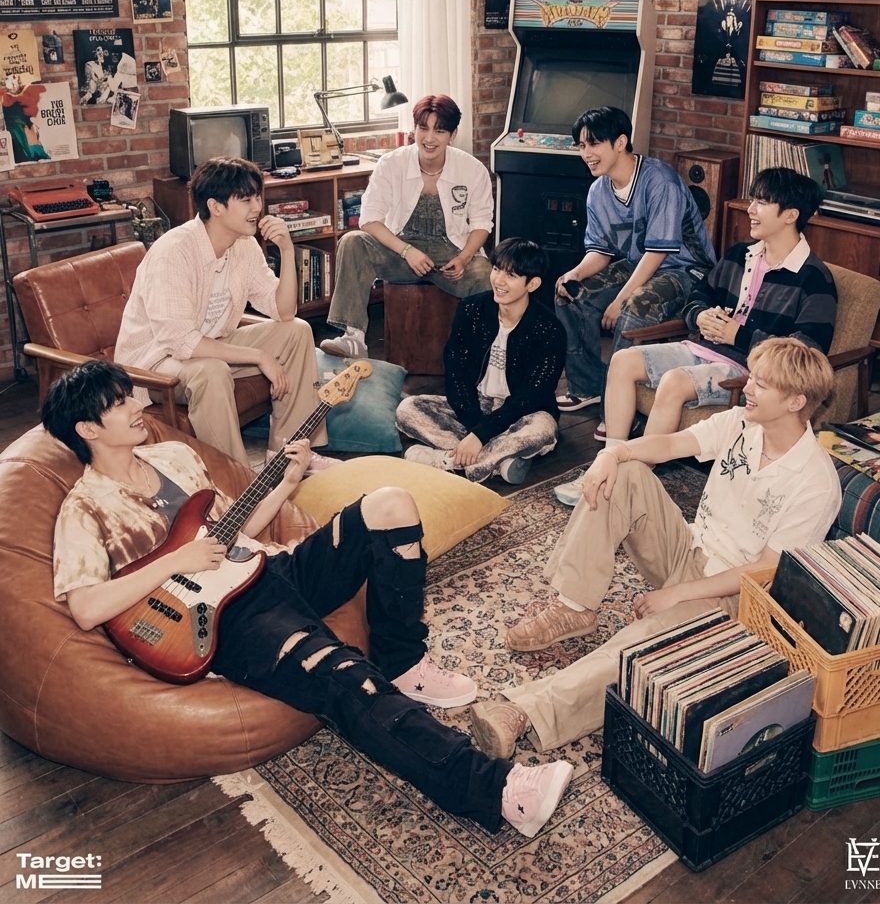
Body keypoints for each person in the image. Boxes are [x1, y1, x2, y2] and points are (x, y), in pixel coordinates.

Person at [44, 360, 573, 839]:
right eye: (121, 403)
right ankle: (498, 791)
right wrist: (174, 562)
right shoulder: (85, 507)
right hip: (228, 618)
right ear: (88, 429)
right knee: (346, 676)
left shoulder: (173, 456)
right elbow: (86, 609)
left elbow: (236, 531)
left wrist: (286, 482)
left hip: (270, 569)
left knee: (390, 504)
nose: (138, 405)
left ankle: (402, 660)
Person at [468, 338, 840, 759]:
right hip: (689, 547)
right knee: (626, 474)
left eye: (761, 384)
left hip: (733, 597)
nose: (747, 387)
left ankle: (525, 712)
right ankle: (574, 605)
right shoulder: (740, 423)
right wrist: (614, 455)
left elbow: (764, 571)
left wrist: (677, 594)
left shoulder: (816, 483)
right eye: (752, 377)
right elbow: (669, 444)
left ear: (795, 402)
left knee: (637, 648)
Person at [596, 167, 836, 453]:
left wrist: (738, 336)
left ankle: (635, 467)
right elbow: (698, 295)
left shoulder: (814, 278)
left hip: (751, 374)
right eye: (752, 200)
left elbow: (808, 353)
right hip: (702, 350)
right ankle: (611, 457)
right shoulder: (739, 255)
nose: (750, 209)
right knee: (622, 360)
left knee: (674, 382)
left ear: (790, 215)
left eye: (761, 202)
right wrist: (699, 316)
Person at [114, 157, 332, 469]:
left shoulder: (244, 245)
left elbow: (284, 311)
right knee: (212, 371)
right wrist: (259, 356)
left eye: (257, 197)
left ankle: (289, 453)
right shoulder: (173, 252)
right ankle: (237, 476)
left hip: (212, 346)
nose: (257, 207)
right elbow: (180, 342)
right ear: (215, 207)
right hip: (157, 363)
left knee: (297, 330)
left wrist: (287, 250)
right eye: (245, 200)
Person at [554, 106, 715, 416]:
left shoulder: (661, 180)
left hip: (686, 271)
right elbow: (600, 251)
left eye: (594, 143)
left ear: (620, 142)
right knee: (571, 294)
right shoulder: (598, 191)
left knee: (634, 305)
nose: (586, 153)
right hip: (638, 265)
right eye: (581, 145)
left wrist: (620, 299)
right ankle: (587, 387)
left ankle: (615, 410)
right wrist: (573, 274)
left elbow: (658, 252)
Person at [321, 95, 494, 359]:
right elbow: (369, 218)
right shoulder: (392, 163)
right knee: (352, 241)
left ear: (453, 134)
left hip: (451, 253)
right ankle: (353, 338)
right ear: (414, 129)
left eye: (440, 130)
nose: (429, 138)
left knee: (486, 275)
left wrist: (464, 257)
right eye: (423, 128)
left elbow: (482, 223)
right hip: (400, 252)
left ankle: (480, 355)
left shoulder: (472, 169)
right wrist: (406, 251)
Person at [396, 238, 565, 486]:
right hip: (476, 404)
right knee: (408, 408)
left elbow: (532, 396)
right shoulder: (471, 310)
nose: (499, 280)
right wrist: (477, 430)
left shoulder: (549, 329)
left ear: (533, 283)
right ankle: (497, 461)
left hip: (521, 413)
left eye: (511, 275)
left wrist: (480, 435)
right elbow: (456, 375)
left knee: (543, 428)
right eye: (496, 269)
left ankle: (443, 460)